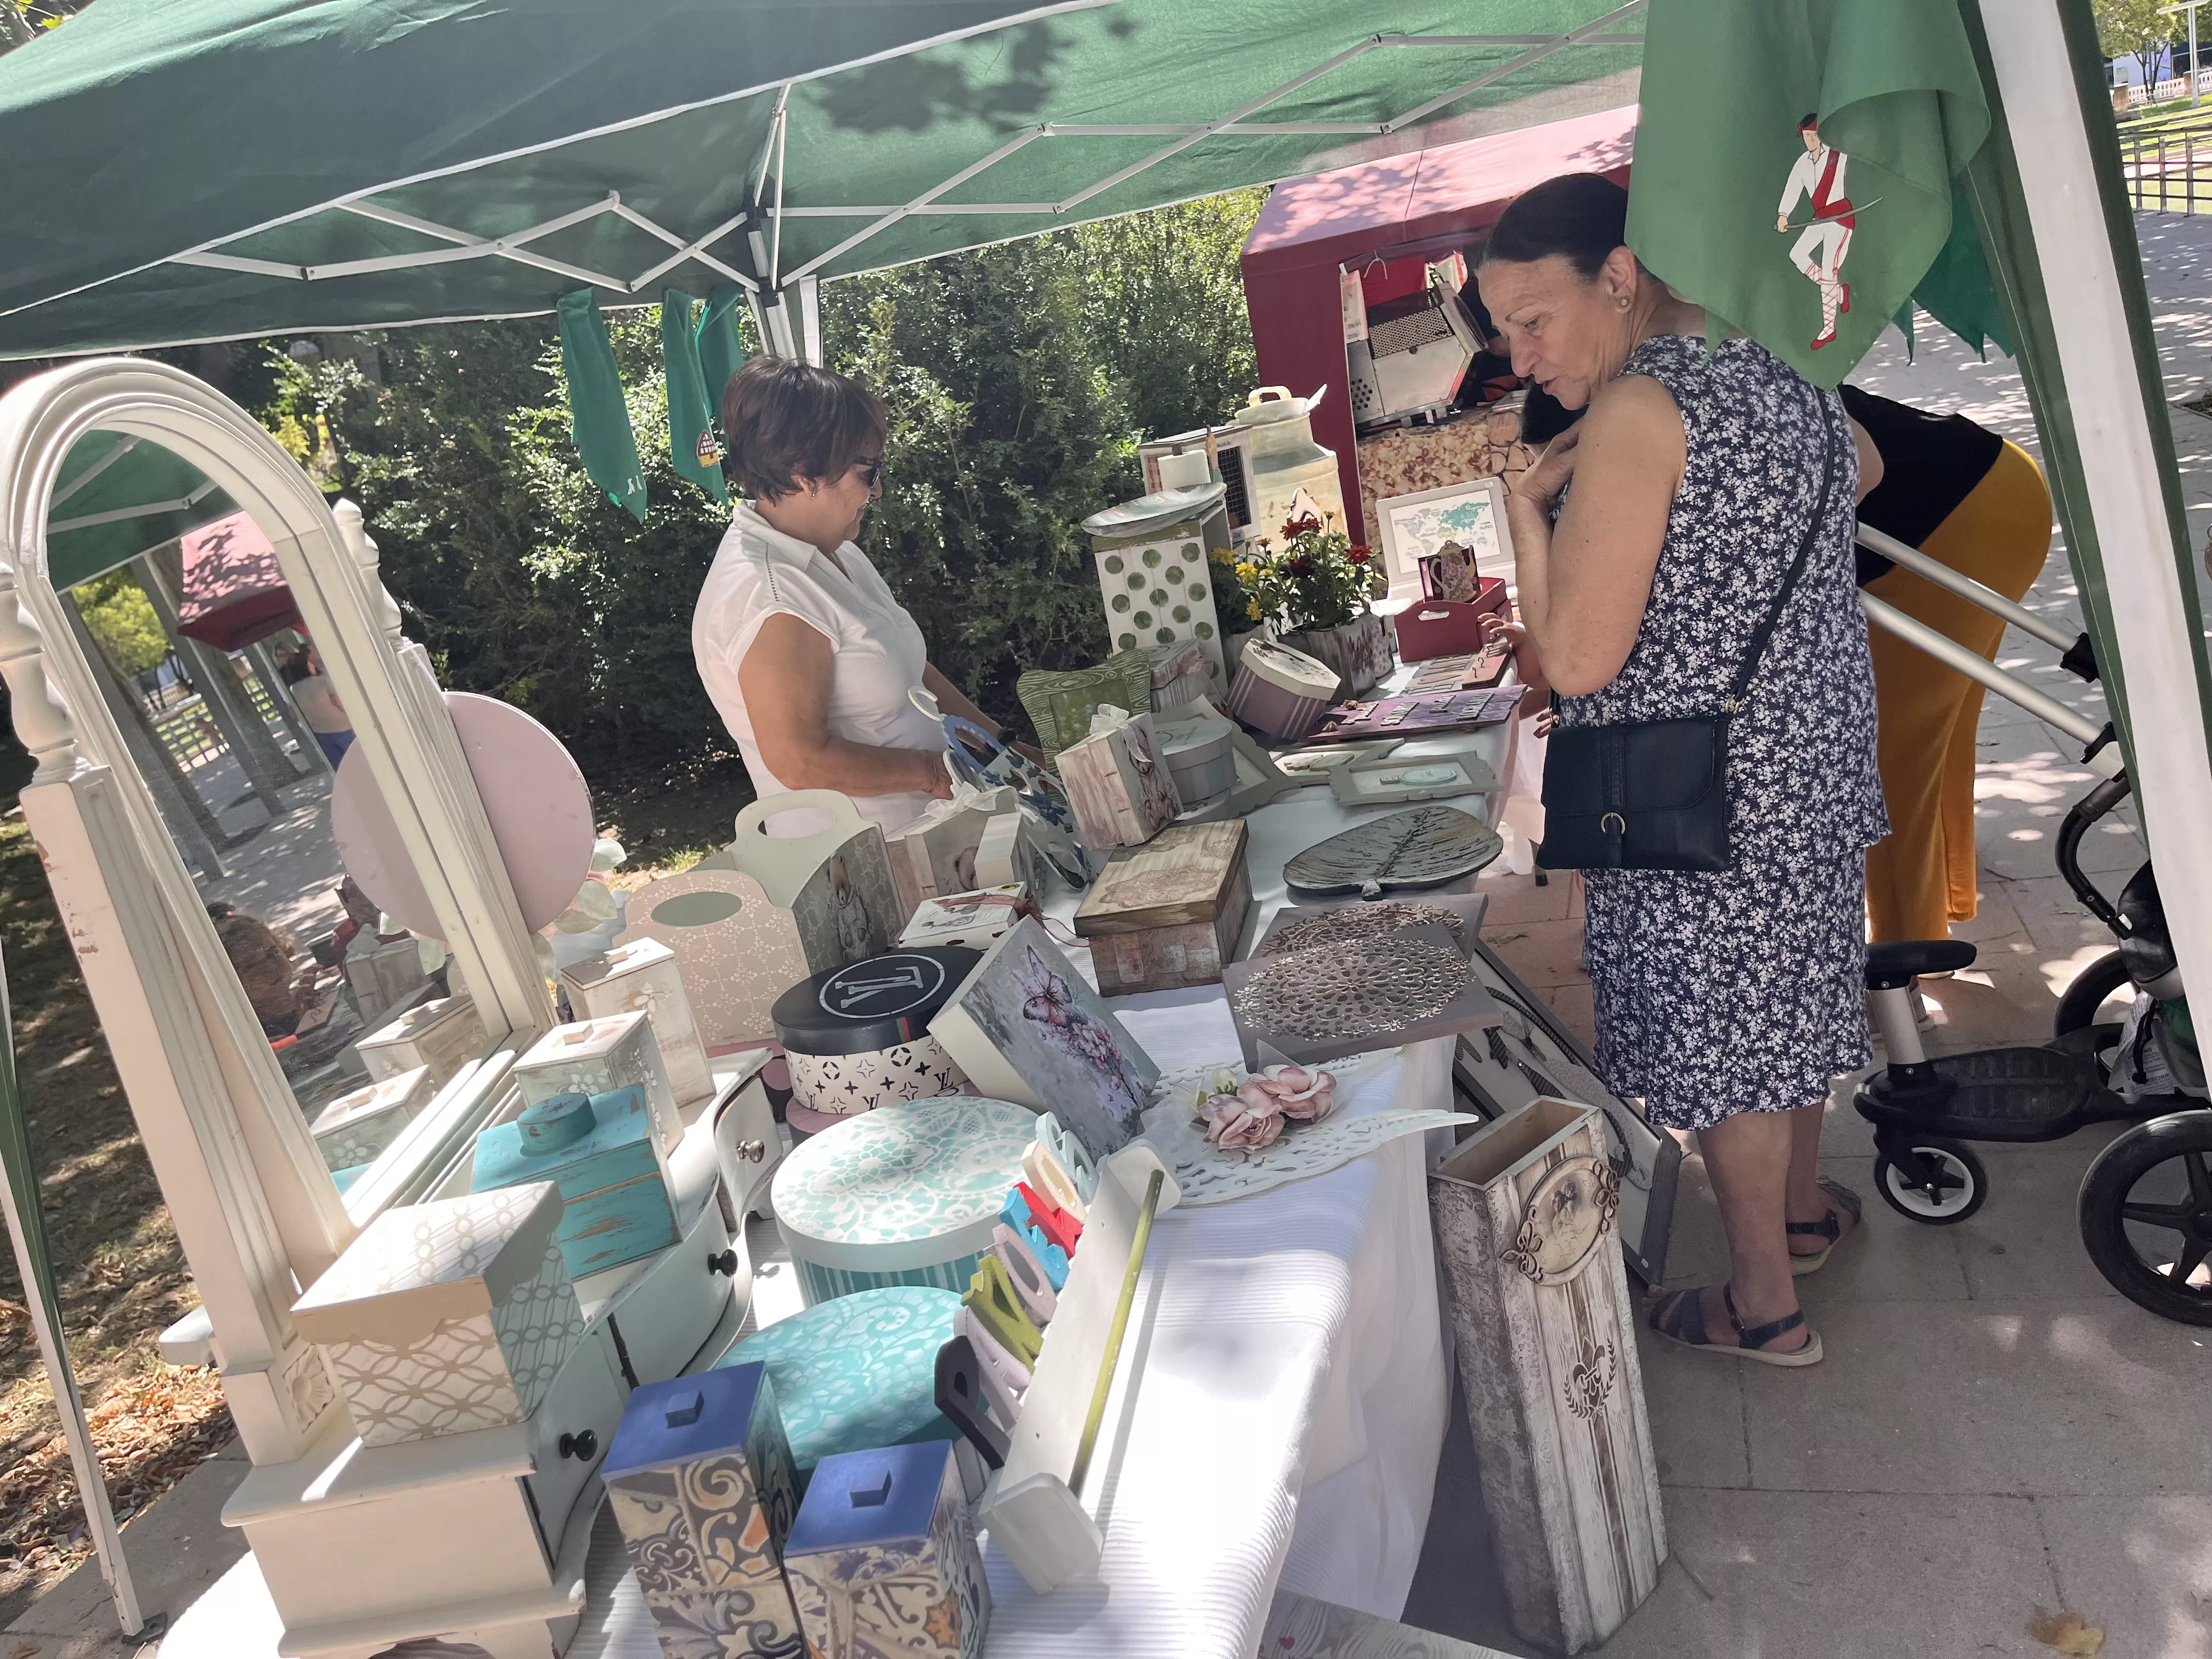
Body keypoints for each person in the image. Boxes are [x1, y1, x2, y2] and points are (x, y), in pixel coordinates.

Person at [1478, 173, 1888, 1366]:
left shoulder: (1636, 410)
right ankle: (1802, 1217)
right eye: (1505, 331)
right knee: (1792, 1001)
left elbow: (1576, 659)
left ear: (1619, 276)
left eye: (1533, 319)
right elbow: (1858, 467)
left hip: (1701, 781)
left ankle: (1764, 1303)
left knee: (1727, 1038)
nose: (1519, 354)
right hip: (1808, 754)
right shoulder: (1772, 367)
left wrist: (1525, 512)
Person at [692, 356, 1019, 834]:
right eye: (869, 472)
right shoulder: (772, 596)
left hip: (936, 837)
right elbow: (800, 761)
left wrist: (1001, 750)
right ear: (805, 473)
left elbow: (910, 673)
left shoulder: (827, 548)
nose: (879, 489)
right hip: (872, 867)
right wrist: (937, 772)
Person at [1842, 386, 2053, 945]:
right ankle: (1946, 893)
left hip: (1960, 521)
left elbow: (1860, 465)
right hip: (1997, 483)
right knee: (1934, 735)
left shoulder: (1689, 378)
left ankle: (1908, 952)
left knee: (1886, 755)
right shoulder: (1715, 349)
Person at [280, 647, 353, 767]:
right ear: (307, 666)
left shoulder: (294, 690)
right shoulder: (324, 682)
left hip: (320, 734)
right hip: (343, 726)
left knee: (341, 767)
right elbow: (339, 704)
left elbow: (294, 714)